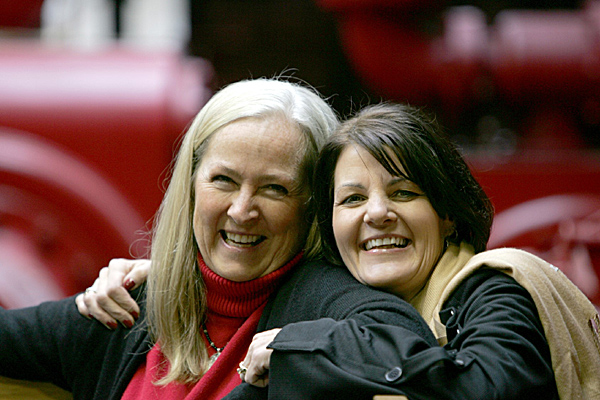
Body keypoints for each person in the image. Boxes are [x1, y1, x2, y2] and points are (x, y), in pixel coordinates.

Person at [84, 103, 600, 399]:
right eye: (352, 198)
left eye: (403, 193)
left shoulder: (495, 287)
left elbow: (490, 390)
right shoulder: (352, 292)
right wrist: (176, 277)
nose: (376, 214)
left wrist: (306, 345)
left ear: (447, 212)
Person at [0, 79, 439, 400]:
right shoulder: (129, 307)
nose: (242, 210)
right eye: (224, 181)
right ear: (191, 186)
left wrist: (294, 348)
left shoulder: (320, 301)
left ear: (311, 205)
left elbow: (404, 343)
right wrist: (158, 282)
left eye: (275, 188)